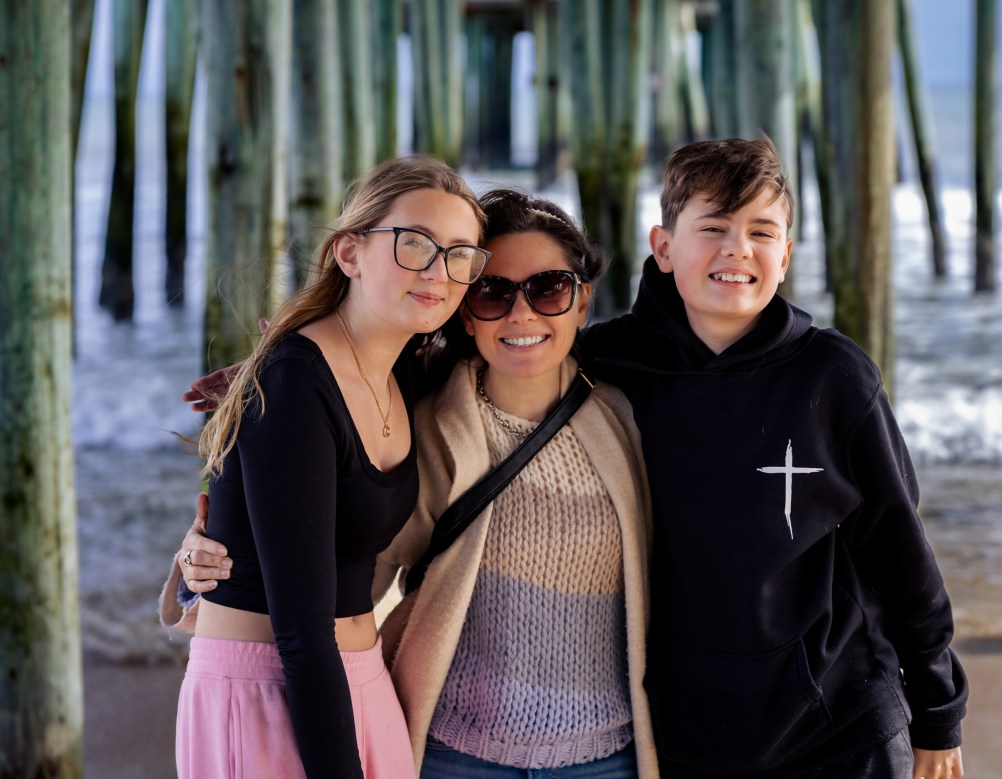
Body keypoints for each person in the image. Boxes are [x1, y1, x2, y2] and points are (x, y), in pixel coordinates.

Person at [166, 190, 658, 778]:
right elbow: (337, 571)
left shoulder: (634, 418)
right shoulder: (415, 423)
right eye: (494, 292)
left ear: (582, 304)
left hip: (606, 758)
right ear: (464, 308)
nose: (523, 314)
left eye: (550, 289)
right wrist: (210, 557)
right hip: (452, 754)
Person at [582, 137, 968, 779]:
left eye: (762, 231)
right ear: (663, 246)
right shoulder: (605, 368)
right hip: (681, 732)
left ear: (784, 256)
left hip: (840, 728)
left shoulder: (835, 378)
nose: (738, 249)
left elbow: (903, 555)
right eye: (713, 227)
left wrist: (939, 712)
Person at [171, 154, 489, 779]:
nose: (440, 271)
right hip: (270, 688)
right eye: (415, 244)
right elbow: (301, 630)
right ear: (350, 254)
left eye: (461, 254)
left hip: (358, 679)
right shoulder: (294, 383)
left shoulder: (402, 370)